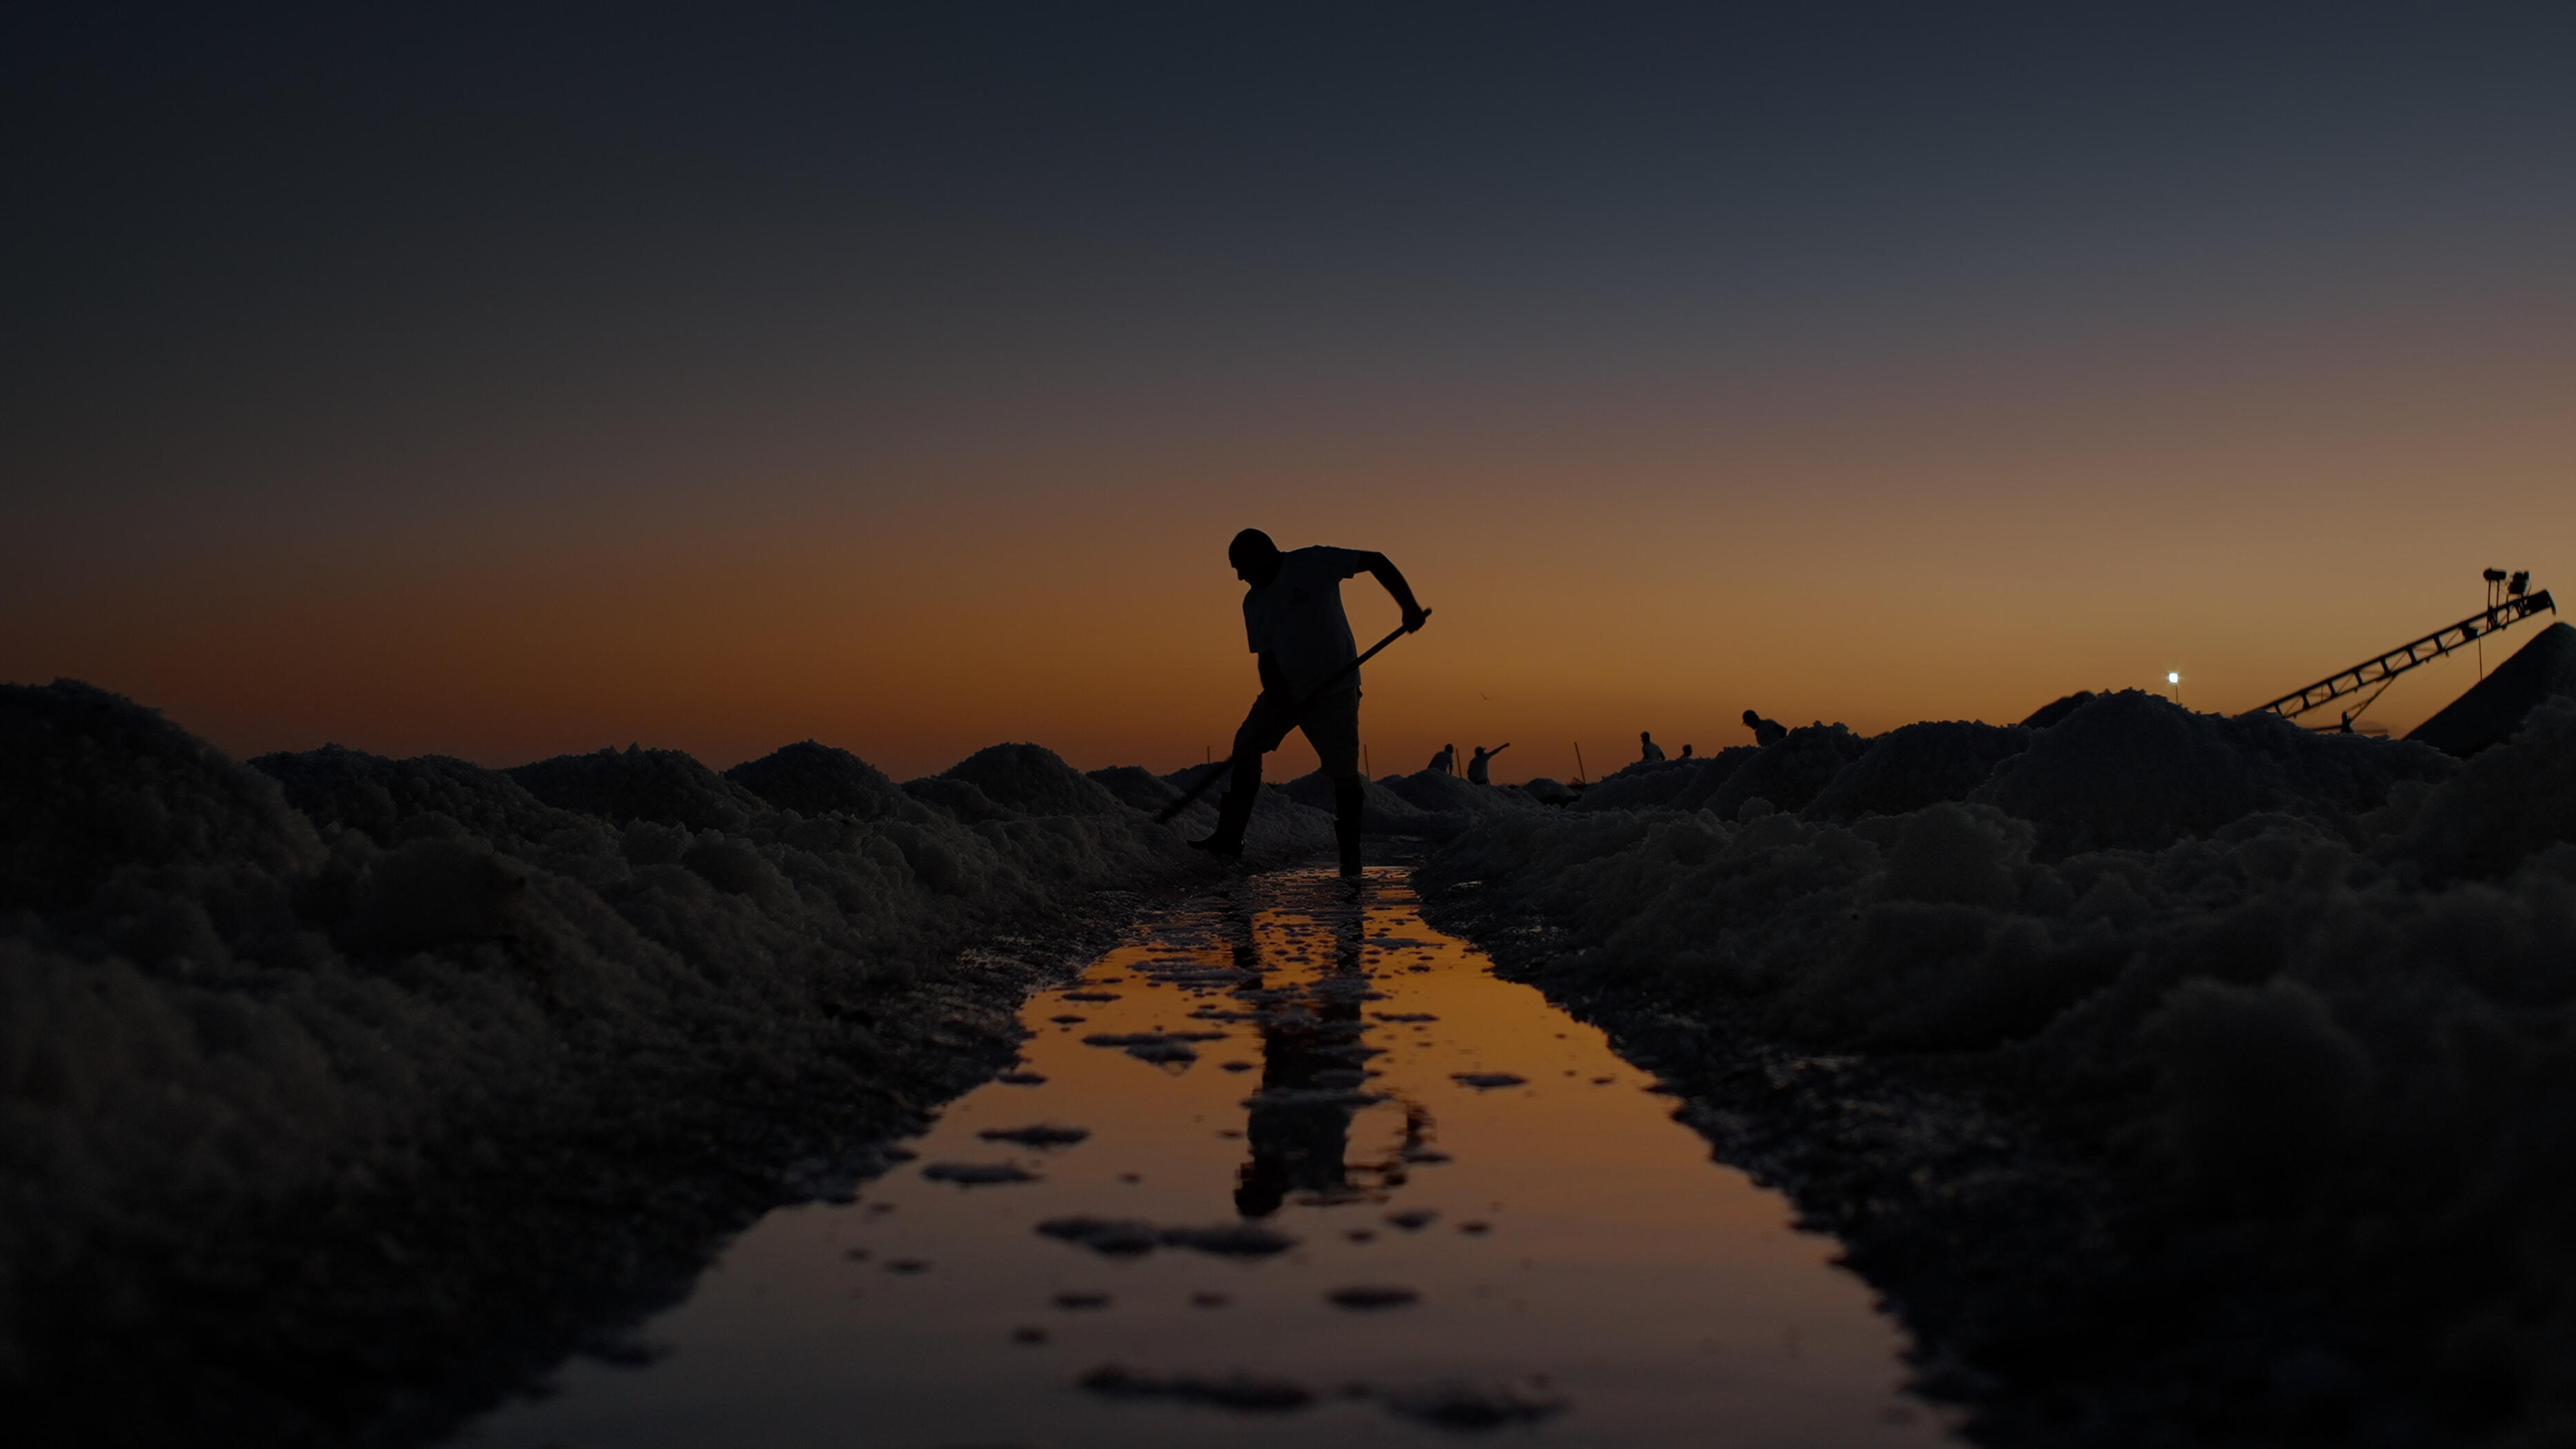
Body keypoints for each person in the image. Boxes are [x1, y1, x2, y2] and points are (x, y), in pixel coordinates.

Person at [1192, 529, 1429, 878]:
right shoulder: (1254, 602)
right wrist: (1281, 699)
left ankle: (1351, 858)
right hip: (1285, 691)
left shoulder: (1314, 562)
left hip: (1336, 691)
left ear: (1263, 554)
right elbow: (1266, 658)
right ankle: (1230, 839)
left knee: (1343, 773)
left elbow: (1376, 561)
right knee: (1246, 745)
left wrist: (1408, 607)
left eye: (1241, 567)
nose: (1240, 577)